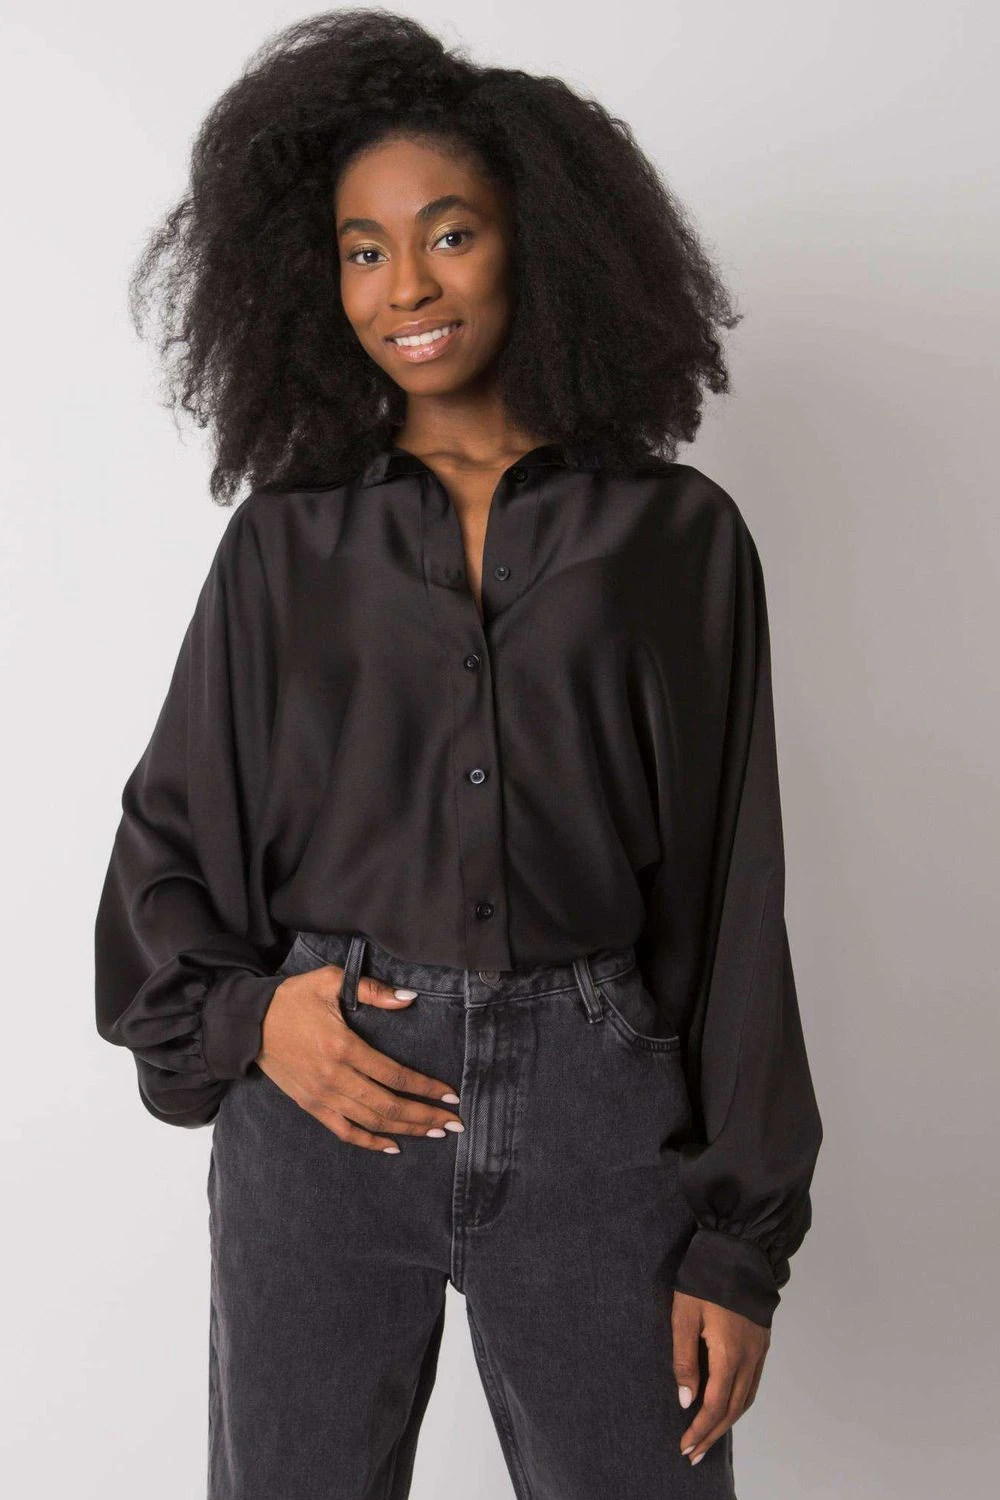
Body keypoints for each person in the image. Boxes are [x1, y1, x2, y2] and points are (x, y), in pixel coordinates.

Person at [94, 10, 823, 1498]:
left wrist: (741, 1242)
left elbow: (732, 889)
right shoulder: (285, 543)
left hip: (597, 1116)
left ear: (535, 240)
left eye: (448, 233)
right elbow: (169, 845)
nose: (406, 287)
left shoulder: (675, 538)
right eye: (362, 249)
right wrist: (256, 1024)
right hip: (328, 1098)